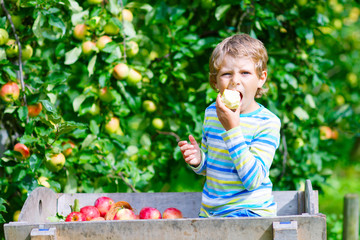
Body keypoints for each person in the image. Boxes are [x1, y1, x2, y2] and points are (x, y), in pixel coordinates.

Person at [178, 34, 281, 218]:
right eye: (227, 74)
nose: (235, 81)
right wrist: (199, 159)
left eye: (245, 73)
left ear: (261, 78)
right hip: (212, 212)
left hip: (249, 212)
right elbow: (215, 169)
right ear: (215, 82)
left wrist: (232, 130)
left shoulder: (267, 123)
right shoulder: (212, 113)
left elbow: (253, 180)